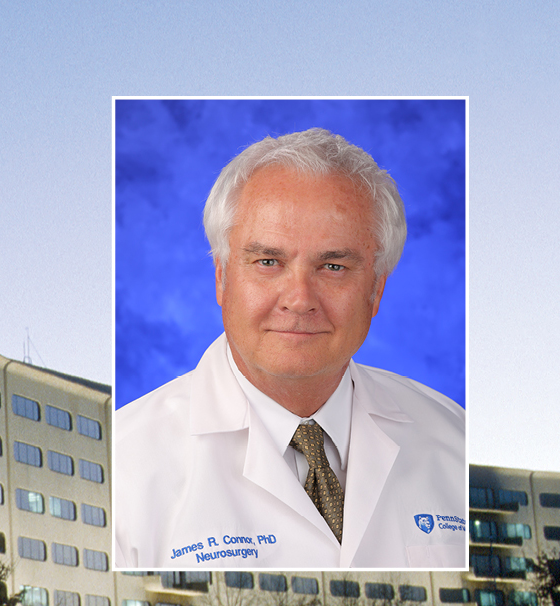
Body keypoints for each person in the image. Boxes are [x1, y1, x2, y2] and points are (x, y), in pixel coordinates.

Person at [113, 128, 465, 570]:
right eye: (268, 262)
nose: (299, 298)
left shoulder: (455, 437)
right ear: (221, 277)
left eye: (333, 266)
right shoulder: (123, 468)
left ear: (376, 290)